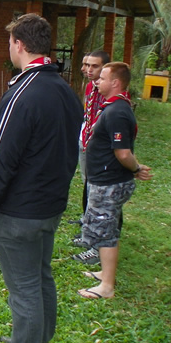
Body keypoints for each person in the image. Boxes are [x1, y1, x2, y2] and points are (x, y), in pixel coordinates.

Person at [0, 13, 82, 343]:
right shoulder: (65, 91)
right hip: (51, 206)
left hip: (20, 210)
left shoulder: (21, 93)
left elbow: (1, 158)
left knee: (24, 288)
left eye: (10, 42)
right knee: (40, 277)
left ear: (19, 45)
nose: (9, 48)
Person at [78, 62, 152, 300]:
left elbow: (123, 153)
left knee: (106, 230)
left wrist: (136, 168)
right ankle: (104, 273)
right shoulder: (112, 107)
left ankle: (107, 286)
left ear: (116, 83)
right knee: (104, 228)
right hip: (103, 179)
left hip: (109, 182)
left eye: (102, 78)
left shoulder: (118, 112)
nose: (97, 81)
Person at [72, 50, 110, 264]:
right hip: (85, 141)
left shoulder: (111, 93)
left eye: (94, 66)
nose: (87, 69)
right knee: (87, 184)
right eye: (86, 65)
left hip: (101, 148)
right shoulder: (89, 87)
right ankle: (87, 224)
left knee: (100, 193)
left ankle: (97, 242)